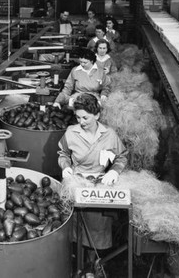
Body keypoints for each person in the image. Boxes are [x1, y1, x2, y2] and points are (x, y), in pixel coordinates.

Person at [58, 93, 128, 252]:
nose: (81, 122)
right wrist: (66, 166)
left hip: (99, 185)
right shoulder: (71, 132)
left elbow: (122, 156)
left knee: (97, 227)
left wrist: (115, 172)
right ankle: (76, 258)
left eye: (85, 118)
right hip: (76, 183)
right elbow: (63, 154)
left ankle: (93, 262)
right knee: (75, 226)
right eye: (78, 118)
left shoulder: (109, 134)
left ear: (97, 115)